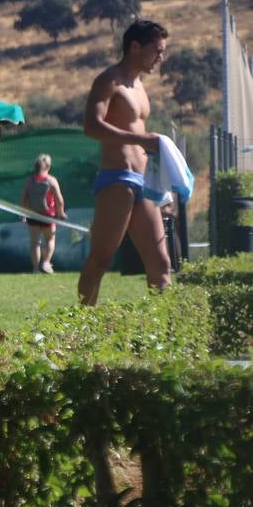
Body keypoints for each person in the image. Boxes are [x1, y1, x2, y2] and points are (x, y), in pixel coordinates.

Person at [77, 19, 170, 306]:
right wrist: (140, 140)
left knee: (162, 263)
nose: (161, 57)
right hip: (117, 178)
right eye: (157, 50)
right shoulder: (108, 81)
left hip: (144, 182)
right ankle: (82, 322)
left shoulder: (140, 86)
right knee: (102, 258)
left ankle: (169, 334)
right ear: (135, 46)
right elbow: (92, 126)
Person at [20, 153, 67, 274]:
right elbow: (59, 199)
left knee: (35, 243)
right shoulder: (51, 181)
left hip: (33, 215)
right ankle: (46, 263)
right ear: (48, 167)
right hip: (47, 216)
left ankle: (35, 269)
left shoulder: (29, 181)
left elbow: (24, 198)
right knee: (50, 240)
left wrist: (23, 214)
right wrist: (61, 213)